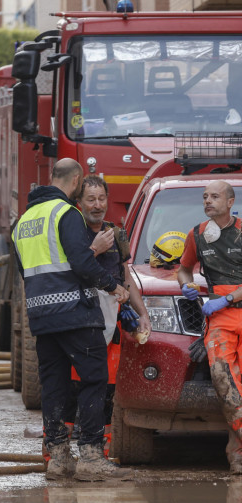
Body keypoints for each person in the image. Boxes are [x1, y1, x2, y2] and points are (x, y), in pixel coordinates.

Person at [12, 158, 132, 482]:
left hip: (41, 315)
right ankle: (92, 455)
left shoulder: (24, 221)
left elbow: (24, 270)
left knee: (54, 385)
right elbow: (81, 262)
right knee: (94, 378)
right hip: (75, 313)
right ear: (77, 180)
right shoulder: (67, 214)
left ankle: (59, 458)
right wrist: (113, 286)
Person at [69, 175, 151, 450]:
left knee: (108, 384)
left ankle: (100, 448)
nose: (97, 205)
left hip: (112, 320)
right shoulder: (72, 233)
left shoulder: (116, 234)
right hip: (80, 319)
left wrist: (142, 313)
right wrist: (94, 250)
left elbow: (125, 277)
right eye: (90, 199)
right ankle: (67, 444)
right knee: (76, 382)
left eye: (101, 198)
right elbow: (67, 274)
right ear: (79, 202)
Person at [177, 180, 242, 474]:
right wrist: (187, 285)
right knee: (222, 377)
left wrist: (227, 297)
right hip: (220, 320)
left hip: (231, 305)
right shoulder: (197, 235)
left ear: (230, 202)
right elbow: (182, 268)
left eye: (215, 196)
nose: (208, 201)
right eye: (205, 196)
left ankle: (235, 452)